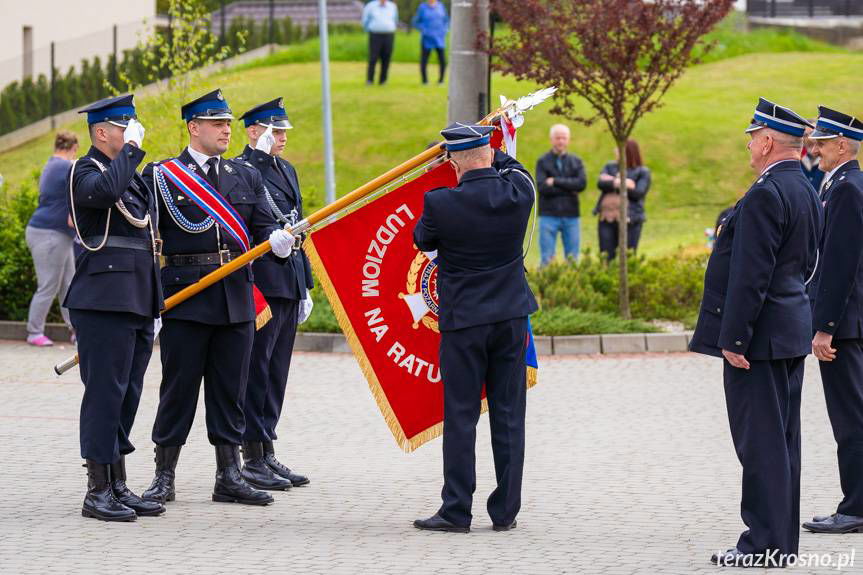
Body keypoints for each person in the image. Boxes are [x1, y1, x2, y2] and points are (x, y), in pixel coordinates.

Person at [140, 89, 296, 507]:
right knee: (179, 390)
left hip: (234, 298)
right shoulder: (162, 175)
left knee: (231, 391)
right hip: (187, 295)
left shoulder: (243, 176)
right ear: (194, 127)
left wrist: (277, 242)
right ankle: (163, 475)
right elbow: (144, 236)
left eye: (228, 122)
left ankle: (229, 475)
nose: (227, 129)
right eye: (216, 123)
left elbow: (263, 227)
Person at [689, 98, 821, 567]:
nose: (748, 146)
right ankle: (780, 543)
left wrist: (735, 338)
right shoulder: (804, 185)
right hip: (787, 330)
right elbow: (805, 266)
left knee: (761, 444)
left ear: (767, 141)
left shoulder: (767, 192)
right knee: (782, 443)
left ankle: (762, 546)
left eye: (751, 138)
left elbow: (752, 273)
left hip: (759, 339)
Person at [412, 123, 538, 533]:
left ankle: (456, 510)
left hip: (465, 321)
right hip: (510, 318)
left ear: (453, 161)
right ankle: (506, 512)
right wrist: (491, 148)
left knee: (462, 416)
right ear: (488, 153)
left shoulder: (441, 204)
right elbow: (513, 164)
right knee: (509, 416)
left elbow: (420, 239)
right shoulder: (519, 192)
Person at [66, 94, 165, 521]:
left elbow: (149, 235)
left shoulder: (131, 174)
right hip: (103, 300)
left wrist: (155, 302)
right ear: (102, 132)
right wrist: (131, 152)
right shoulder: (85, 170)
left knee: (128, 394)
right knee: (105, 395)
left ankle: (119, 482)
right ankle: (97, 489)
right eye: (125, 128)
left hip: (137, 297)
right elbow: (106, 194)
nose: (132, 135)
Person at [235, 98, 313, 491]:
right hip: (262, 283)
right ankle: (251, 455)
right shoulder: (241, 169)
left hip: (288, 279)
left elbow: (299, 226)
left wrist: (307, 284)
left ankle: (266, 449)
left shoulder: (288, 169)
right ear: (253, 131)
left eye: (283, 131)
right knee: (258, 370)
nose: (281, 138)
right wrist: (259, 157)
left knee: (277, 371)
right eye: (273, 131)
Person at [801, 106, 863, 535]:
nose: (816, 149)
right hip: (850, 321)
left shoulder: (845, 188)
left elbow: (839, 263)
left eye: (822, 143)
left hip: (846, 326)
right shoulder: (841, 183)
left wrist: (825, 327)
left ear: (842, 145)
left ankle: (855, 506)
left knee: (851, 418)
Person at [25, 131, 79, 347]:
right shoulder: (64, 167)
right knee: (48, 285)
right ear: (74, 147)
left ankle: (75, 329)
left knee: (68, 284)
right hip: (49, 233)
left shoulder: (51, 164)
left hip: (56, 234)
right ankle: (33, 332)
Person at [535, 124, 586, 265]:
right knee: (546, 259)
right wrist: (569, 187)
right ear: (551, 139)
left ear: (568, 140)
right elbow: (542, 187)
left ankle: (572, 286)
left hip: (571, 216)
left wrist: (555, 181)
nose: (561, 141)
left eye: (564, 138)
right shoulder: (542, 161)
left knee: (572, 259)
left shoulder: (576, 162)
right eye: (558, 138)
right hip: (548, 215)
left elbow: (581, 184)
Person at [594, 139, 651, 260]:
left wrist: (613, 182)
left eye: (619, 149)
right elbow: (601, 183)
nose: (615, 151)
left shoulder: (642, 171)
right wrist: (622, 182)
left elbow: (638, 193)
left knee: (627, 256)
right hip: (606, 219)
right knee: (606, 256)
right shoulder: (610, 166)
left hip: (631, 219)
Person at [412, 0, 448, 85]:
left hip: (439, 38)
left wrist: (444, 30)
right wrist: (424, 30)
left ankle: (441, 81)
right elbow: (415, 22)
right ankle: (425, 81)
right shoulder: (422, 7)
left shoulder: (441, 6)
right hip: (427, 38)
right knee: (424, 60)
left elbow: (446, 20)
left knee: (442, 60)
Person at [362, 0, 398, 85]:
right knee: (373, 57)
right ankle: (370, 80)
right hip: (375, 34)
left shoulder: (392, 6)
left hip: (389, 34)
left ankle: (383, 80)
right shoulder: (370, 6)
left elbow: (395, 19)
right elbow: (365, 20)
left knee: (386, 57)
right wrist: (369, 30)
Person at [802, 122, 825, 192]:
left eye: (812, 133)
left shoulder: (828, 164)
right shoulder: (797, 164)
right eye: (805, 135)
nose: (809, 139)